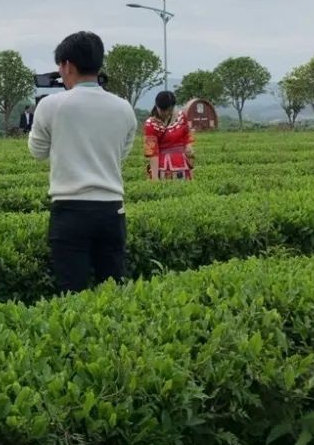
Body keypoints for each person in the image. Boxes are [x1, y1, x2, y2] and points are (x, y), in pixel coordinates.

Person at [28, 31, 138, 294]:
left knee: (71, 294)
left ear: (67, 65)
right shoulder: (124, 108)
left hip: (70, 211)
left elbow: (37, 151)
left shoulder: (50, 105)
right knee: (112, 293)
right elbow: (120, 155)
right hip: (112, 211)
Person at [143, 90, 195, 180]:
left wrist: (188, 146)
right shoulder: (150, 124)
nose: (167, 113)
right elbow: (152, 152)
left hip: (182, 165)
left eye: (170, 110)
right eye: (163, 110)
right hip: (163, 167)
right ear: (157, 107)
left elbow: (187, 134)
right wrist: (155, 178)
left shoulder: (181, 117)